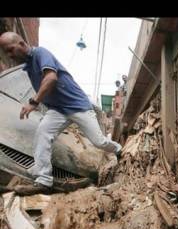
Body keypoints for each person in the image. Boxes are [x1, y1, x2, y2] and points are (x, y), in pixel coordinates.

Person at [0, 32, 122, 195]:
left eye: (10, 50)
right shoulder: (28, 67)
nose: (9, 55)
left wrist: (33, 102)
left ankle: (119, 149)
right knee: (42, 133)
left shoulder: (40, 53)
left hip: (78, 106)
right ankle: (44, 180)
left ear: (22, 44)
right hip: (58, 110)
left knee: (99, 141)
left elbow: (51, 78)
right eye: (6, 52)